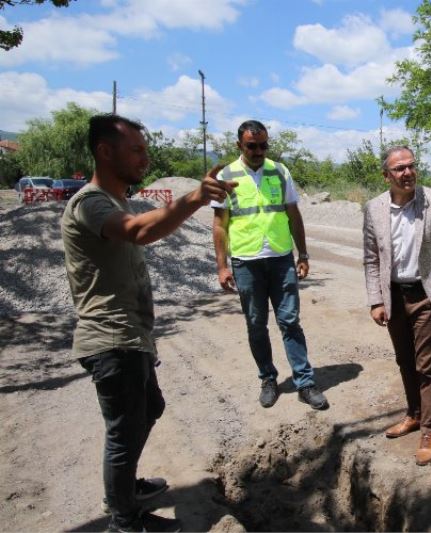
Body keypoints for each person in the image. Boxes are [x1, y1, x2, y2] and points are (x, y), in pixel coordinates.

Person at [61, 114, 235, 532]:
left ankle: (125, 489)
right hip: (111, 338)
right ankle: (125, 520)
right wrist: (193, 199)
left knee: (149, 409)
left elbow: (140, 226)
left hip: (130, 336)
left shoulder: (115, 200)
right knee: (123, 434)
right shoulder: (90, 202)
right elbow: (138, 231)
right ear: (105, 151)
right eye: (136, 149)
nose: (145, 156)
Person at [210, 120, 329, 410]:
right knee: (256, 324)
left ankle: (304, 382)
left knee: (289, 321)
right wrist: (222, 266)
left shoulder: (280, 171)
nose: (259, 150)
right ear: (239, 145)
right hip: (246, 262)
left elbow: (293, 215)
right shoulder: (226, 175)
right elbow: (220, 224)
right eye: (252, 146)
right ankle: (268, 379)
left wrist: (303, 254)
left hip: (280, 259)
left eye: (264, 145)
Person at [362, 145, 431, 466]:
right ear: (386, 175)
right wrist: (376, 300)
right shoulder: (374, 208)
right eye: (399, 169)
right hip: (393, 295)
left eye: (410, 166)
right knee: (405, 360)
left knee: (428, 367)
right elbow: (371, 258)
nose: (407, 173)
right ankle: (415, 414)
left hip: (426, 294)